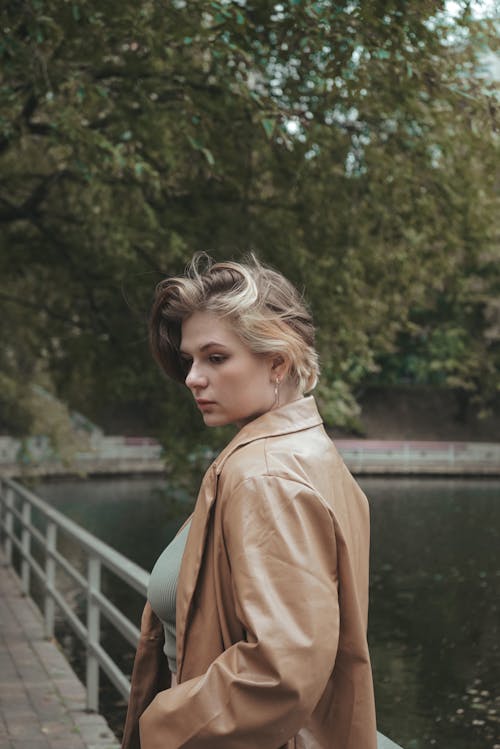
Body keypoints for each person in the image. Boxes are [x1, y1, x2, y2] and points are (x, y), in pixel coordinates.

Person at [121, 254, 377, 749]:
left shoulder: (266, 474)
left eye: (216, 358)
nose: (193, 377)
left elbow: (281, 671)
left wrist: (162, 724)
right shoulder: (303, 453)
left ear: (277, 362)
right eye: (191, 359)